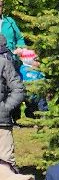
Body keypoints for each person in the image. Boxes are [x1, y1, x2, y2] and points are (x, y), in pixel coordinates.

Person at [0, 36, 22, 165]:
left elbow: (18, 88)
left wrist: (5, 107)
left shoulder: (3, 63)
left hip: (1, 123)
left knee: (7, 163)